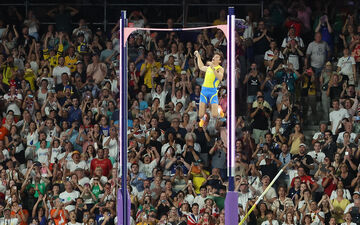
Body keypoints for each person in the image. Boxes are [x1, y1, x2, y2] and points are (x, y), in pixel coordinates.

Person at [194, 50, 224, 127]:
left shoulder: (220, 68)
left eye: (217, 57)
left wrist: (213, 67)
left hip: (212, 92)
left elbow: (220, 77)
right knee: (200, 115)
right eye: (214, 56)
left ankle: (220, 110)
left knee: (214, 115)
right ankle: (204, 117)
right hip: (204, 91)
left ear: (219, 61)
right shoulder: (208, 68)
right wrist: (198, 56)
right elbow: (200, 67)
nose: (214, 57)